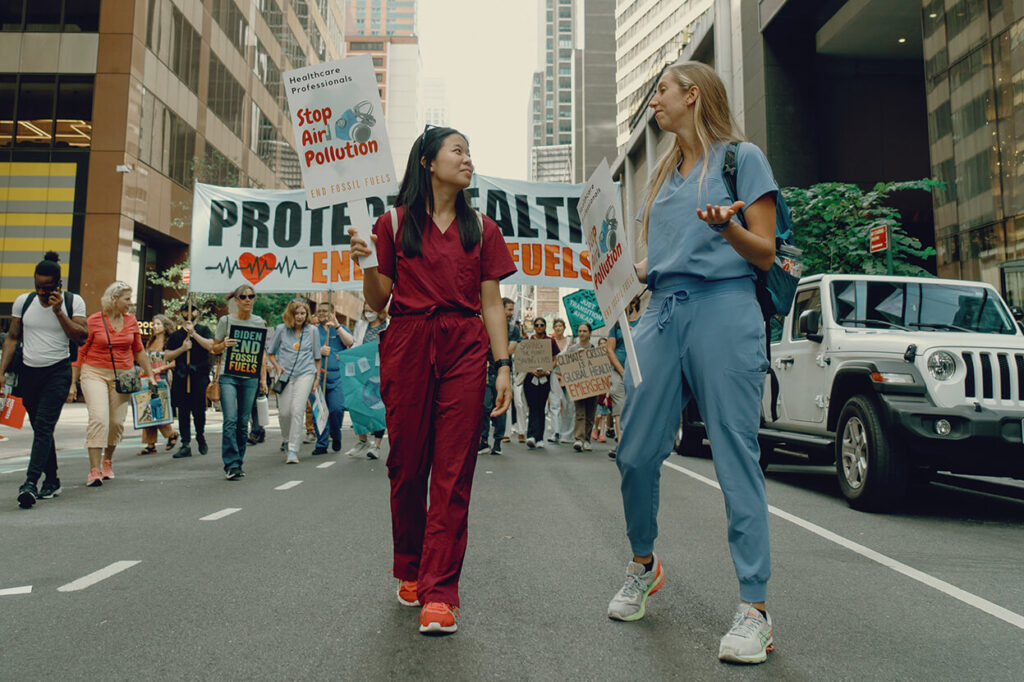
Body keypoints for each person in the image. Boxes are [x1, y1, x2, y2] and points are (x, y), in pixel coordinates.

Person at [605, 61, 778, 665]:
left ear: (692, 95)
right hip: (660, 312)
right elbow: (661, 259)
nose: (654, 102)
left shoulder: (741, 159)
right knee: (633, 450)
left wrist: (728, 229)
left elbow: (764, 253)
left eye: (660, 92)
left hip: (724, 309)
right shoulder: (659, 176)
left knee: (735, 453)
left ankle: (754, 609)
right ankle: (644, 564)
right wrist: (624, 278)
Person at [350, 124, 516, 636]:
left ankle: (440, 591)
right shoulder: (393, 223)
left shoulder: (483, 229)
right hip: (407, 341)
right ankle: (410, 565)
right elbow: (378, 300)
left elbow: (491, 303)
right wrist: (365, 264)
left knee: (453, 469)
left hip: (465, 346)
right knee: (407, 464)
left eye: (470, 151)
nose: (469, 159)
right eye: (458, 150)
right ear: (428, 162)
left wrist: (503, 364)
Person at [0, 252, 87, 508]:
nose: (41, 292)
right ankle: (53, 479)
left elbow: (81, 337)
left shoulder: (73, 302)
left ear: (58, 284)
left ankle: (30, 483)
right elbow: (13, 338)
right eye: (37, 286)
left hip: (57, 373)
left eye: (46, 288)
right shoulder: (23, 302)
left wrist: (60, 312)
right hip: (28, 373)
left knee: (44, 425)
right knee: (40, 429)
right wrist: (2, 371)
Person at [72, 281, 158, 486]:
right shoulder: (94, 321)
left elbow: (138, 350)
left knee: (116, 423)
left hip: (123, 376)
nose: (131, 303)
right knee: (99, 419)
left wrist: (150, 374)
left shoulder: (131, 321)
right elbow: (81, 352)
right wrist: (72, 383)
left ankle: (107, 460)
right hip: (94, 373)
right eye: (127, 299)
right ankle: (94, 470)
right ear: (114, 299)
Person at [211, 285, 268, 480]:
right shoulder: (225, 321)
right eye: (243, 297)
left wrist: (262, 379)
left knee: (243, 423)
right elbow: (214, 348)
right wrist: (223, 345)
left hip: (250, 377)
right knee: (230, 419)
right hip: (229, 375)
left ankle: (238, 461)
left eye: (251, 296)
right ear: (236, 300)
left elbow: (261, 353)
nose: (247, 299)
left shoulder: (259, 322)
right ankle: (231, 464)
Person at [266, 298, 320, 463]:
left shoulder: (312, 331)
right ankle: (286, 439)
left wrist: (317, 378)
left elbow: (317, 357)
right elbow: (271, 352)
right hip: (285, 375)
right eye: (296, 313)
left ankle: (292, 450)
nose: (299, 316)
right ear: (291, 314)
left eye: (303, 313)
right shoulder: (281, 329)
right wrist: (277, 366)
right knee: (284, 412)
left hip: (306, 374)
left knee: (297, 410)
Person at [164, 302, 214, 458]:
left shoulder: (204, 330)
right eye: (186, 311)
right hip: (181, 376)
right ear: (182, 314)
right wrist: (182, 349)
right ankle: (185, 443)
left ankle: (200, 435)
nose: (189, 313)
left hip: (199, 377)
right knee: (183, 411)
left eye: (192, 310)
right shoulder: (176, 335)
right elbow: (167, 355)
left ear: (196, 313)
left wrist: (194, 334)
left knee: (199, 410)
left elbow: (210, 346)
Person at [344, 302, 389, 460]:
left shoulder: (388, 324)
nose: (368, 311)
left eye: (371, 308)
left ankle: (376, 446)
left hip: (379, 371)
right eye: (366, 308)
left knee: (377, 407)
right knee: (356, 404)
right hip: (361, 370)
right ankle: (362, 440)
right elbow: (355, 343)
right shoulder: (361, 324)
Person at [478, 297, 520, 455]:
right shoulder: (484, 326)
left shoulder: (512, 330)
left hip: (500, 372)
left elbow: (509, 351)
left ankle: (497, 441)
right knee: (484, 406)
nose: (511, 313)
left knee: (500, 405)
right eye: (509, 309)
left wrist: (493, 345)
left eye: (512, 310)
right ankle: (483, 441)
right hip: (485, 371)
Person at [311, 301, 353, 456]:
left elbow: (349, 342)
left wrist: (337, 326)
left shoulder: (339, 329)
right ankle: (321, 443)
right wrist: (318, 351)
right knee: (320, 411)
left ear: (332, 312)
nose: (321, 313)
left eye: (325, 311)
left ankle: (336, 435)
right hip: (317, 376)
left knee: (336, 409)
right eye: (319, 311)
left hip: (336, 377)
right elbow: (303, 352)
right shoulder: (312, 331)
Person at [605, 296, 643, 458]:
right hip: (619, 372)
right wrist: (622, 371)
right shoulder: (616, 324)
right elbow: (609, 350)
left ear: (633, 304)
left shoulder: (643, 322)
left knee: (636, 407)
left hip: (638, 371)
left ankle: (635, 443)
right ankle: (621, 444)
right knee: (619, 407)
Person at [137, 314, 179, 455]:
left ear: (165, 326)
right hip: (147, 377)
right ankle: (150, 444)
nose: (155, 326)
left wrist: (159, 369)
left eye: (158, 324)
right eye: (154, 324)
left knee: (157, 409)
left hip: (162, 377)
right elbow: (144, 359)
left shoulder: (169, 342)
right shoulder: (150, 342)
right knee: (146, 409)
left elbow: (175, 362)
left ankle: (171, 434)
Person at [522, 317, 560, 449]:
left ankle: (539, 437)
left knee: (541, 406)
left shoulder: (550, 341)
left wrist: (548, 369)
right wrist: (531, 370)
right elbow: (523, 359)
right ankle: (531, 435)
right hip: (530, 378)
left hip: (545, 378)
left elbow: (556, 358)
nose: (539, 327)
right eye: (537, 325)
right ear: (533, 326)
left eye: (541, 325)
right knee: (532, 406)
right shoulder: (527, 341)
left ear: (545, 326)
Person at [562, 322, 598, 452]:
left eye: (584, 331)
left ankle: (587, 439)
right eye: (580, 331)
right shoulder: (572, 349)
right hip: (578, 385)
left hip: (592, 386)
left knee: (590, 413)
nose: (581, 333)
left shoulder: (594, 349)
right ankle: (579, 439)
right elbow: (567, 365)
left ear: (589, 333)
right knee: (580, 412)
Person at [545, 318, 574, 444]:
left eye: (560, 326)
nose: (558, 328)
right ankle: (555, 432)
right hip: (554, 374)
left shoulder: (570, 341)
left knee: (569, 404)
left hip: (569, 374)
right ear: (553, 328)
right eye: (556, 326)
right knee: (555, 404)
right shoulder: (550, 342)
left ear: (564, 328)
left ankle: (566, 434)